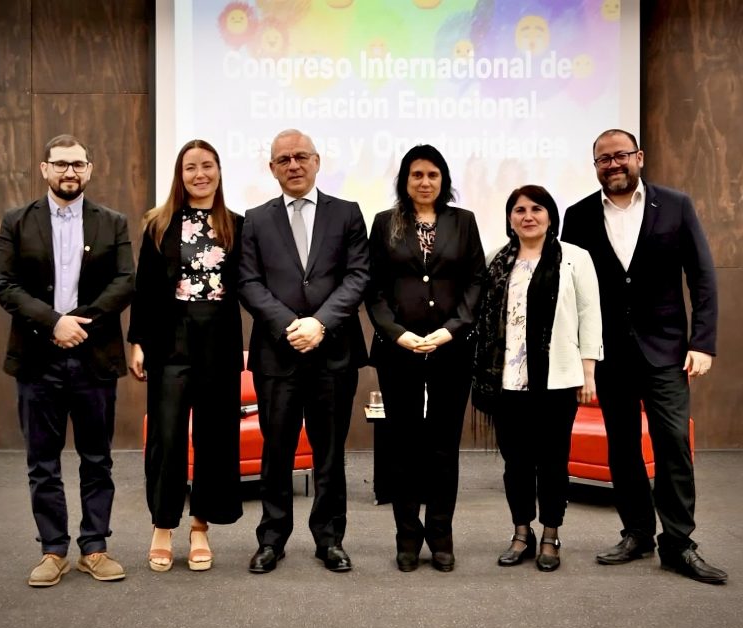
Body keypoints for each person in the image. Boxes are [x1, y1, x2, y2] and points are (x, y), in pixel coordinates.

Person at [562, 128, 727, 584]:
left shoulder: (675, 205)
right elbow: (571, 291)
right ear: (594, 166)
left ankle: (678, 543)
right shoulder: (576, 216)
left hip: (668, 352)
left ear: (640, 157)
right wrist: (580, 356)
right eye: (602, 159)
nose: (612, 165)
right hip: (608, 353)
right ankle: (636, 532)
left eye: (620, 156)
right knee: (622, 448)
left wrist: (703, 342)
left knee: (672, 444)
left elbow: (702, 277)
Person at [0, 134, 134, 586]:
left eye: (77, 164)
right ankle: (53, 551)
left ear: (90, 170)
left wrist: (78, 322)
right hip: (38, 360)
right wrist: (54, 322)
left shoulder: (112, 222)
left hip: (94, 357)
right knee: (42, 462)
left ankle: (95, 547)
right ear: (44, 169)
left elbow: (126, 280)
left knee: (97, 459)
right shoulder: (17, 221)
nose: (69, 172)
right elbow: (4, 284)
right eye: (60, 165)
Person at [239, 129, 369, 574]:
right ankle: (272, 539)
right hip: (278, 353)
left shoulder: (348, 213)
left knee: (329, 452)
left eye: (301, 157)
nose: (293, 165)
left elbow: (357, 276)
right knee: (276, 451)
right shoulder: (254, 220)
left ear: (317, 161)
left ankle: (329, 540)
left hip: (333, 352)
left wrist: (320, 323)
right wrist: (289, 324)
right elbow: (249, 283)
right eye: (283, 160)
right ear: (272, 168)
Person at [366, 145, 486, 573]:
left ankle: (440, 534)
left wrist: (450, 330)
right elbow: (373, 288)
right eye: (416, 174)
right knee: (402, 444)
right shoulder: (385, 223)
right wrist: (397, 335)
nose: (424, 182)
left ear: (444, 179)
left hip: (451, 350)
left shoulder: (463, 222)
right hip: (398, 351)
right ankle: (406, 536)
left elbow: (476, 282)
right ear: (405, 180)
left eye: (433, 174)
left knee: (442, 444)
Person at [128, 140, 244, 572]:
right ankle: (163, 526)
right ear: (180, 174)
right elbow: (144, 288)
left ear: (218, 170)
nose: (200, 174)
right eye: (191, 167)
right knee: (168, 435)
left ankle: (200, 527)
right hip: (169, 340)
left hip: (219, 342)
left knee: (214, 437)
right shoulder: (159, 224)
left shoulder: (237, 224)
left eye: (207, 166)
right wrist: (137, 341)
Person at [473, 185, 602, 572]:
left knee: (552, 461)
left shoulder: (574, 258)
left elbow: (589, 316)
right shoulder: (497, 259)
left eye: (536, 209)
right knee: (516, 463)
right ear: (510, 217)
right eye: (519, 210)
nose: (527, 216)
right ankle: (520, 532)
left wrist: (588, 372)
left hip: (557, 380)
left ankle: (550, 534)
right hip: (507, 380)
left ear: (550, 216)